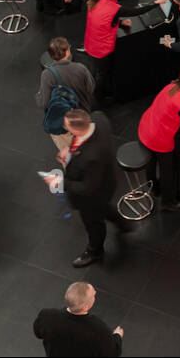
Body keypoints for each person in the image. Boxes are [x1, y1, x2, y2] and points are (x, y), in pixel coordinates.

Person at [45, 108, 124, 268]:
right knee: (105, 208)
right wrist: (70, 151)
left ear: (76, 130)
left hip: (93, 196)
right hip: (106, 181)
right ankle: (123, 224)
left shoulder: (92, 157)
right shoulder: (98, 117)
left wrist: (60, 182)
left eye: (67, 127)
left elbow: (87, 188)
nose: (66, 128)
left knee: (93, 223)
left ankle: (95, 251)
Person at [137, 66, 180, 209]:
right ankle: (168, 202)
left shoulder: (171, 86)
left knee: (151, 161)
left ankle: (153, 187)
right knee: (168, 170)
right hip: (160, 139)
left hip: (147, 127)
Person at [38, 37, 97, 152]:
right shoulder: (81, 68)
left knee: (69, 155)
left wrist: (38, 96)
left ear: (50, 55)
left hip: (65, 124)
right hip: (83, 115)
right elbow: (91, 88)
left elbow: (43, 103)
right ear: (68, 52)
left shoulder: (47, 75)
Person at [33, 281, 123, 356]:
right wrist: (117, 336)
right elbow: (112, 354)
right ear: (85, 307)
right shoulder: (98, 329)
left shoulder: (47, 316)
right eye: (93, 295)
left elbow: (38, 333)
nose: (95, 292)